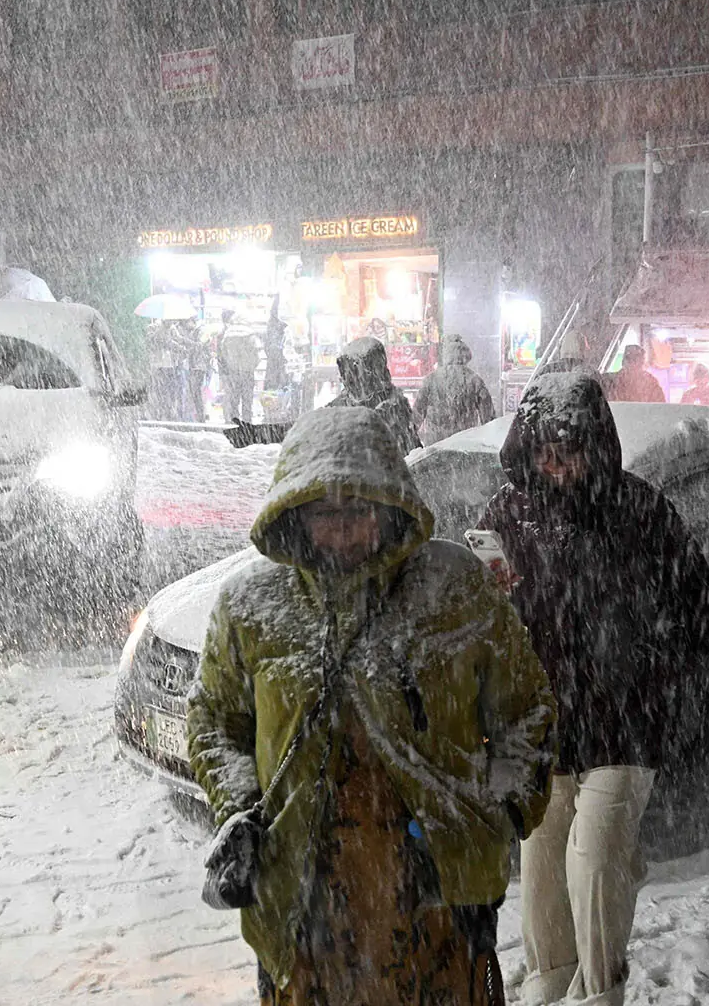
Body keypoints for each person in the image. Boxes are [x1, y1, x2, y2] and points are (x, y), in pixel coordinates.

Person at [188, 406, 557, 1006]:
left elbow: (527, 707)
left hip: (436, 902)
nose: (342, 530)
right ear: (295, 513)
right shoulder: (249, 607)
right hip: (304, 911)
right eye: (323, 512)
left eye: (358, 509)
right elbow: (213, 720)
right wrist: (238, 809)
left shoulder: (452, 587)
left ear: (389, 507)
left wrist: (502, 810)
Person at [477, 372, 709, 1006]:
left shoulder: (640, 511)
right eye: (545, 452)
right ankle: (547, 985)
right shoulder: (508, 515)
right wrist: (496, 603)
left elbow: (700, 614)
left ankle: (598, 994)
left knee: (595, 861)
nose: (557, 467)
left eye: (571, 451)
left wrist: (647, 670)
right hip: (542, 726)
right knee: (541, 874)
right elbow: (477, 619)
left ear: (597, 446)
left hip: (624, 726)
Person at [328, 336, 421, 452]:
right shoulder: (334, 412)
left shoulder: (395, 407)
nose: (345, 379)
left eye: (354, 372)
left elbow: (412, 452)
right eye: (344, 373)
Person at [414, 333, 497, 445]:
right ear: (466, 356)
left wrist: (414, 443)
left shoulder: (431, 379)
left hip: (435, 445)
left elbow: (417, 415)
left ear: (445, 355)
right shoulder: (474, 381)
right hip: (464, 444)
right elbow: (489, 419)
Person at [217, 310, 262, 423]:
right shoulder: (250, 334)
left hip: (233, 370)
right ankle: (247, 420)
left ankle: (235, 419)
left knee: (234, 396)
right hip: (247, 370)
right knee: (247, 398)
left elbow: (223, 352)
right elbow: (257, 353)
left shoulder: (228, 334)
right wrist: (252, 365)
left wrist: (231, 363)